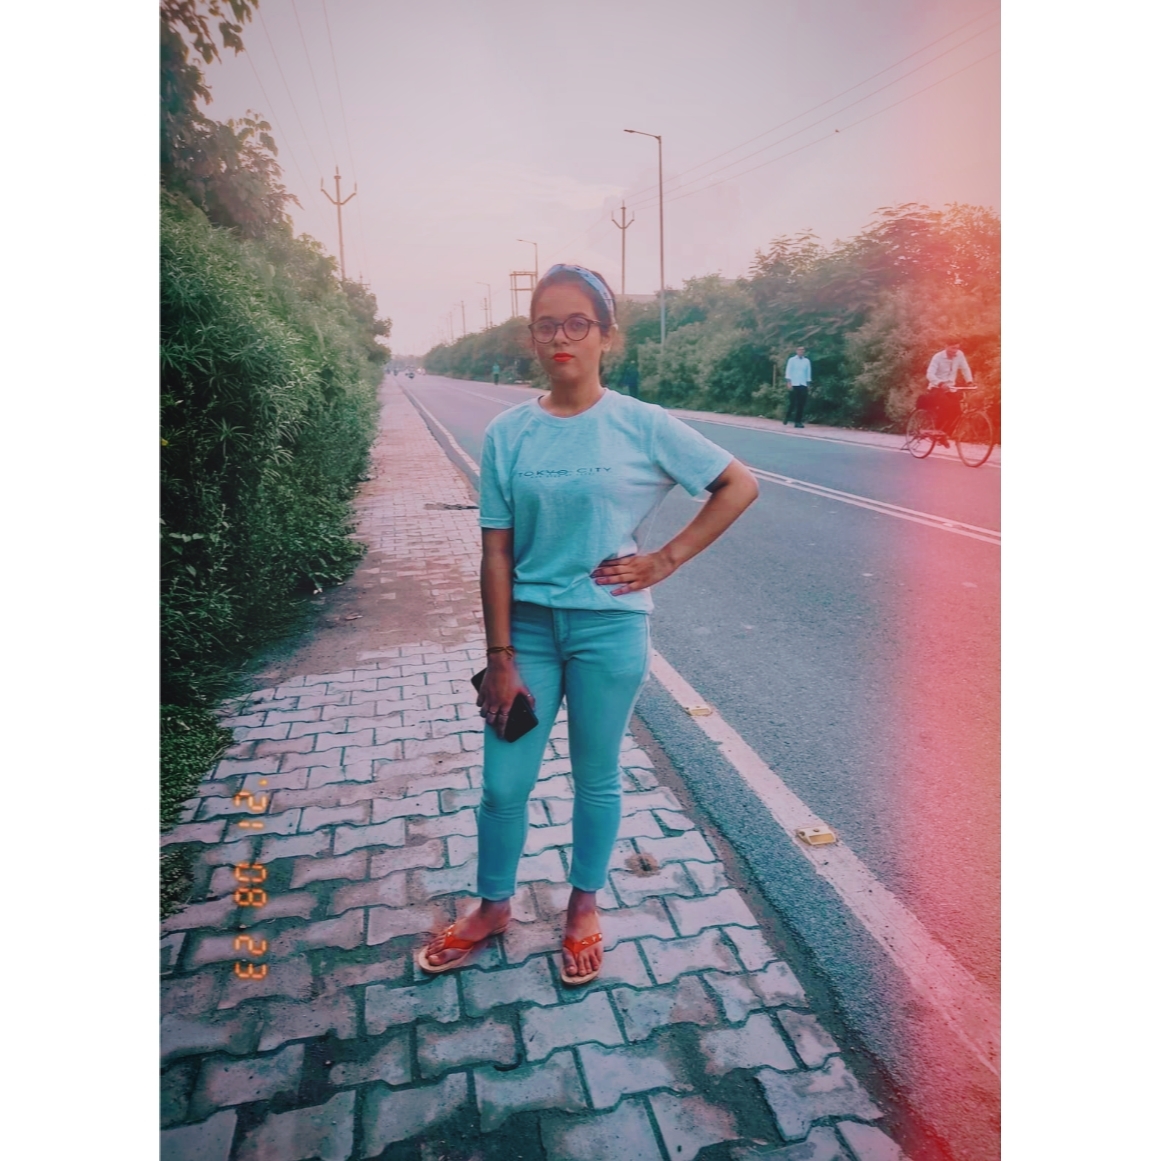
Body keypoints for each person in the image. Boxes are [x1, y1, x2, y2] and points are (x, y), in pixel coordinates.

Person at [418, 263, 758, 985]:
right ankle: (493, 906)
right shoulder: (509, 433)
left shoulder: (641, 423)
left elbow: (737, 483)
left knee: (596, 777)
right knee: (502, 785)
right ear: (531, 337)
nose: (561, 337)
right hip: (527, 634)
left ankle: (582, 905)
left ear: (607, 335)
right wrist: (500, 655)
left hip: (610, 630)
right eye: (547, 325)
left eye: (578, 323)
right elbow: (496, 550)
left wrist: (666, 558)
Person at [922, 342, 973, 444]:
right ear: (946, 346)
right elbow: (930, 374)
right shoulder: (937, 357)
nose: (955, 351)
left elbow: (965, 369)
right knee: (946, 405)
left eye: (957, 348)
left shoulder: (959, 355)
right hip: (936, 387)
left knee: (957, 411)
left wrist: (969, 381)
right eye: (952, 348)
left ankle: (945, 434)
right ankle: (936, 431)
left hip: (950, 388)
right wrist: (940, 383)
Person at [783, 346, 811, 428]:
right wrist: (789, 382)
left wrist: (808, 384)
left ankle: (798, 421)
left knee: (801, 404)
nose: (801, 352)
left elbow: (808, 373)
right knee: (793, 403)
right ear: (796, 351)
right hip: (794, 384)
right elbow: (788, 371)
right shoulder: (792, 360)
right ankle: (787, 416)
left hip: (803, 384)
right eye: (799, 350)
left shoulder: (806, 361)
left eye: (802, 350)